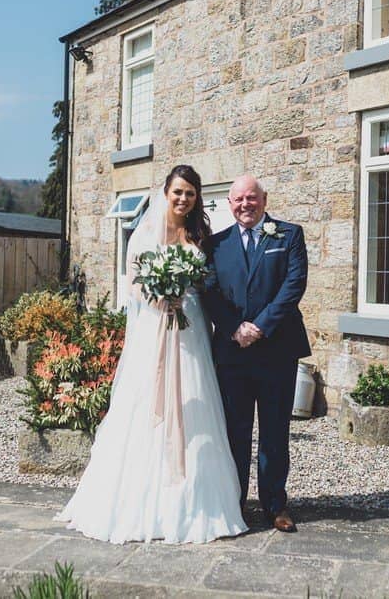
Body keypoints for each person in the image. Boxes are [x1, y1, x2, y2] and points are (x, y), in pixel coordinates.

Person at [58, 165, 247, 544]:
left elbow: (207, 282)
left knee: (197, 401)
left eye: (190, 194)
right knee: (145, 403)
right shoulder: (144, 233)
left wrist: (186, 295)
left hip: (190, 326)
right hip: (155, 326)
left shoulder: (199, 234)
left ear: (196, 198)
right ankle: (143, 499)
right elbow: (134, 284)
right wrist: (161, 296)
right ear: (166, 192)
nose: (183, 199)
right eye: (178, 192)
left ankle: (197, 502)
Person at [202, 175, 310, 533]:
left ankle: (276, 505)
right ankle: (234, 502)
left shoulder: (289, 235)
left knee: (275, 431)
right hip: (232, 353)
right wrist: (235, 327)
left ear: (264, 199)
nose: (245, 205)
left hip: (277, 349)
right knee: (235, 431)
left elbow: (293, 285)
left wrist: (260, 326)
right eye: (238, 199)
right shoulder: (216, 245)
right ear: (229, 204)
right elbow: (211, 292)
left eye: (251, 198)